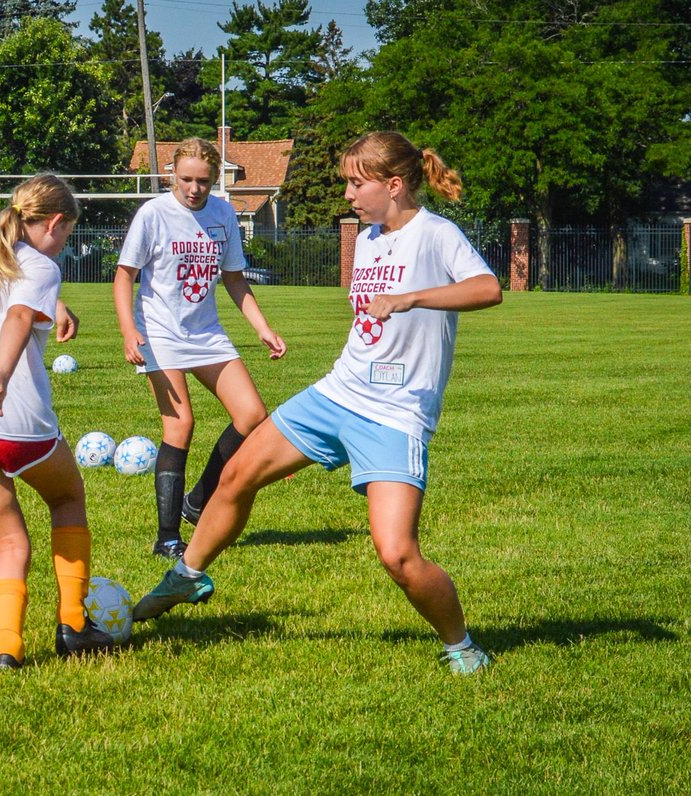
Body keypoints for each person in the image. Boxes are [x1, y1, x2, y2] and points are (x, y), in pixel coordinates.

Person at [133, 131, 503, 675]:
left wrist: (410, 297)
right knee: (237, 475)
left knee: (397, 554)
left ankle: (461, 645)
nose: (348, 194)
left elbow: (488, 288)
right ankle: (188, 574)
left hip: (396, 413)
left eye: (357, 183)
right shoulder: (372, 237)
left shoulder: (436, 235)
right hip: (338, 392)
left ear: (394, 185)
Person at [0, 174, 115, 670]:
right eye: (67, 234)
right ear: (54, 222)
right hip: (14, 421)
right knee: (67, 496)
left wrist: (54, 307)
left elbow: (8, 295)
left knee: (9, 540)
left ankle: (6, 650)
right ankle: (73, 625)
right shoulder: (42, 264)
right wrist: (4, 372)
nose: (64, 245)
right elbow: (15, 315)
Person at [114, 137, 286, 560]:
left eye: (204, 181)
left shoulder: (224, 213)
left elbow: (233, 278)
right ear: (172, 173)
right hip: (159, 333)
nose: (195, 189)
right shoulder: (153, 214)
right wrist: (127, 331)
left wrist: (262, 327)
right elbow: (124, 276)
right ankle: (168, 538)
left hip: (206, 333)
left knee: (252, 416)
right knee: (181, 425)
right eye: (187, 179)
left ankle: (198, 500)